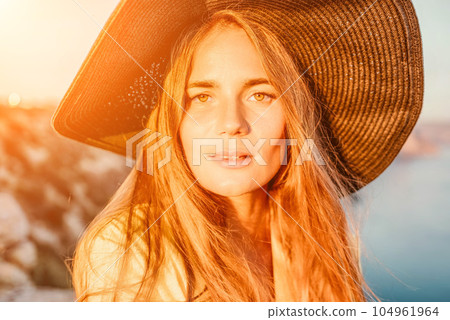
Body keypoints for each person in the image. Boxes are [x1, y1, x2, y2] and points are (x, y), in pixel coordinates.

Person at [51, 0, 424, 302]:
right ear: (174, 120)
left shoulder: (318, 237)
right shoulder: (134, 250)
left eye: (260, 94)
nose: (231, 122)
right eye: (201, 96)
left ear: (293, 117)